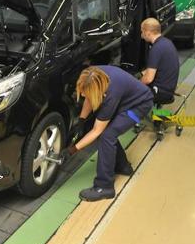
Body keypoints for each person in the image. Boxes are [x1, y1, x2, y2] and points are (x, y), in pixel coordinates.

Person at [64, 65, 154, 202]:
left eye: (84, 92)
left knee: (107, 136)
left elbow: (96, 131)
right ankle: (123, 166)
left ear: (97, 90)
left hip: (139, 107)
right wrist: (81, 120)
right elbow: (89, 96)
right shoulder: (91, 75)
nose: (82, 95)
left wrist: (72, 150)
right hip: (126, 101)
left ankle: (104, 187)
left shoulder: (111, 93)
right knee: (107, 132)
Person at [139, 18, 179, 104]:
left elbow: (148, 79)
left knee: (129, 93)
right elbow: (157, 67)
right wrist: (141, 74)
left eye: (142, 32)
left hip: (160, 93)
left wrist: (136, 84)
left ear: (148, 32)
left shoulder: (156, 49)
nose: (142, 35)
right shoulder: (166, 42)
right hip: (169, 89)